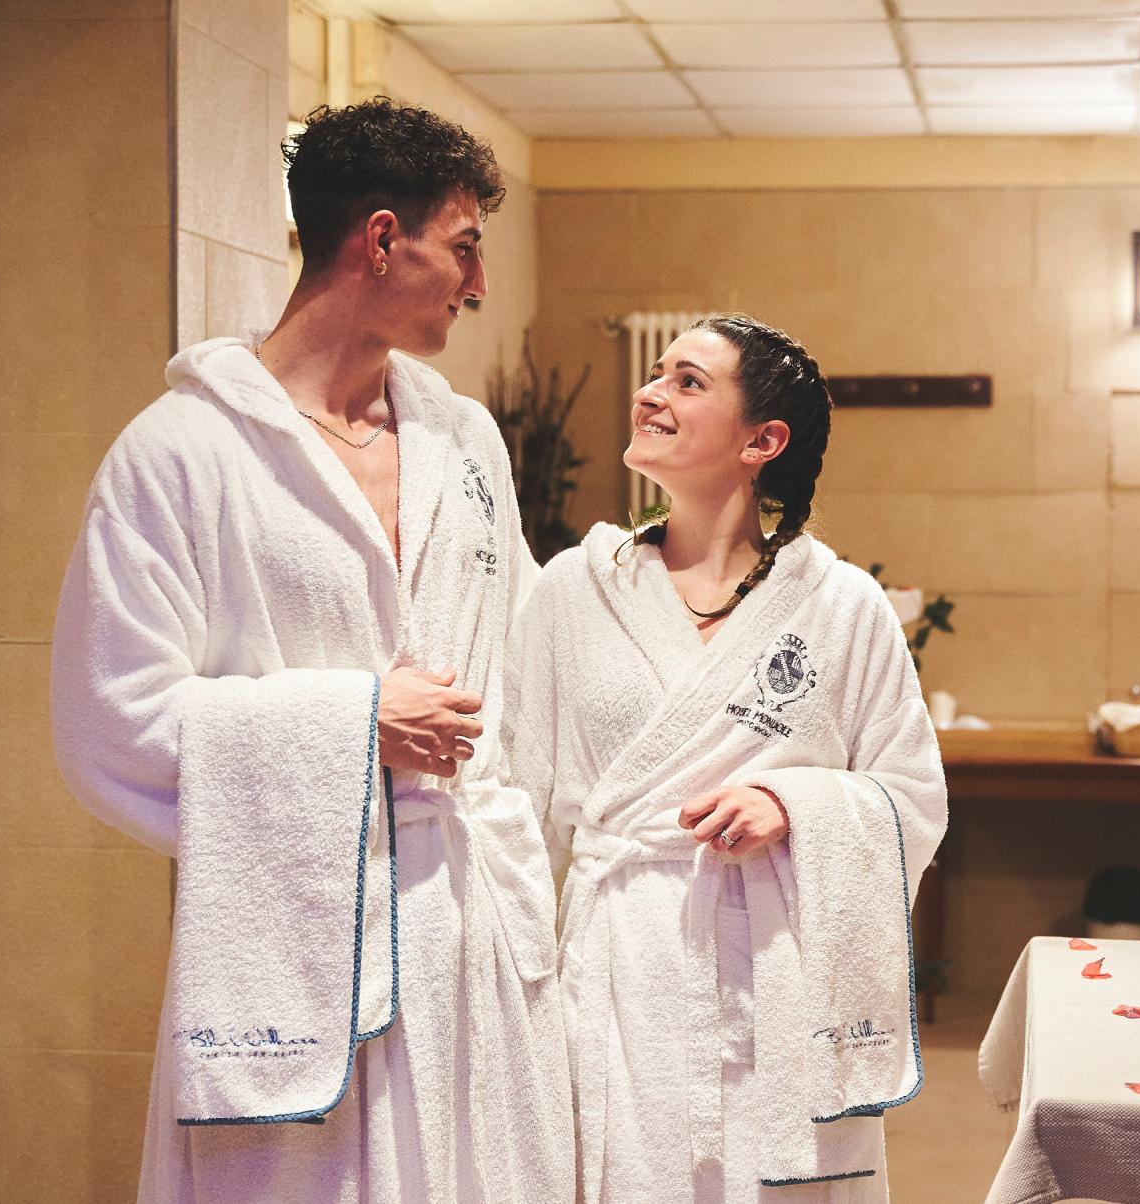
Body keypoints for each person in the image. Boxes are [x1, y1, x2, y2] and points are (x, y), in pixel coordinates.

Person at [49, 98, 569, 1203]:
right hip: (294, 935)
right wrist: (355, 723)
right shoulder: (182, 453)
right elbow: (110, 717)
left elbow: (530, 655)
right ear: (380, 239)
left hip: (473, 928)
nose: (478, 284)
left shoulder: (463, 441)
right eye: (464, 247)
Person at [506, 314, 948, 1202]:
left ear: (762, 441)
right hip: (617, 964)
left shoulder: (842, 606)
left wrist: (796, 807)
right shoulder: (572, 592)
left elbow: (911, 796)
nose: (650, 393)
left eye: (687, 381)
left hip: (776, 962)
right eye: (656, 373)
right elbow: (519, 800)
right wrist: (518, 983)